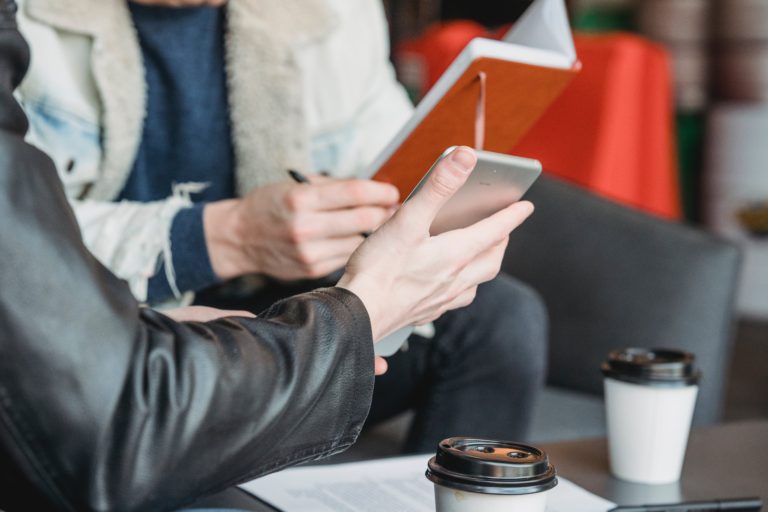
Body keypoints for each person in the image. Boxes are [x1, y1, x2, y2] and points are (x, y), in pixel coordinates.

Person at [0, 4, 536, 509]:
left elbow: (388, 157)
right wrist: (223, 235)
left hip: (282, 299)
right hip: (126, 315)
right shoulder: (28, 22)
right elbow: (28, 254)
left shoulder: (337, 10)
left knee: (499, 318)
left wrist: (392, 224)